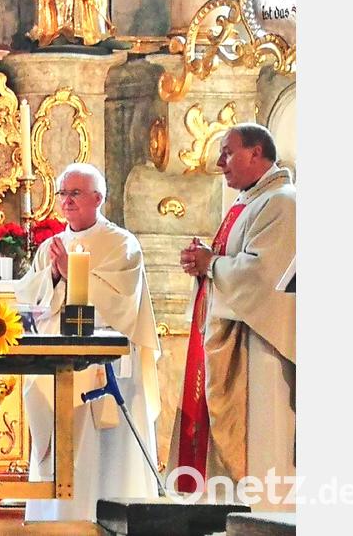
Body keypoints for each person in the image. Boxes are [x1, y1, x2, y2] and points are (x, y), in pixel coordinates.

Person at [16, 163, 161, 521]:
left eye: (75, 193)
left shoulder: (121, 243)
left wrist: (73, 273)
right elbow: (31, 298)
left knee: (102, 461)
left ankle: (106, 523)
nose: (66, 201)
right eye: (62, 193)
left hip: (104, 366)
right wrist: (52, 273)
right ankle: (55, 523)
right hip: (57, 362)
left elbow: (121, 303)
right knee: (62, 457)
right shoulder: (52, 245)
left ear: (98, 198)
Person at [172, 123, 295, 510]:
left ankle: (271, 516)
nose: (220, 162)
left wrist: (213, 264)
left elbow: (264, 275)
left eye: (228, 152)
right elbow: (238, 263)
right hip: (240, 334)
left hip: (262, 345)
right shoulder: (251, 202)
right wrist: (207, 262)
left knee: (265, 435)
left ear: (256, 153)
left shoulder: (282, 202)